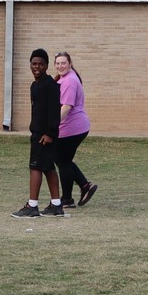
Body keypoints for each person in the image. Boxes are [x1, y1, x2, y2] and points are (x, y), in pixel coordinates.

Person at [11, 49, 64, 218]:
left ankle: (32, 206)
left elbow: (54, 112)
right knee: (48, 167)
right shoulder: (35, 85)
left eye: (41, 64)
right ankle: (56, 205)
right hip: (37, 132)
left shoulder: (51, 86)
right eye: (34, 64)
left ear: (47, 66)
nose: (37, 67)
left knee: (35, 167)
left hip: (44, 136)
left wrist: (50, 133)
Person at [53, 51, 98, 209]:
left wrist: (52, 125)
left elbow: (66, 106)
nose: (60, 66)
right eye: (57, 63)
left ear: (70, 63)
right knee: (63, 161)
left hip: (72, 128)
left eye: (63, 63)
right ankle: (84, 187)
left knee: (63, 161)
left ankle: (68, 199)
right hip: (74, 127)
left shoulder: (70, 81)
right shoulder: (66, 77)